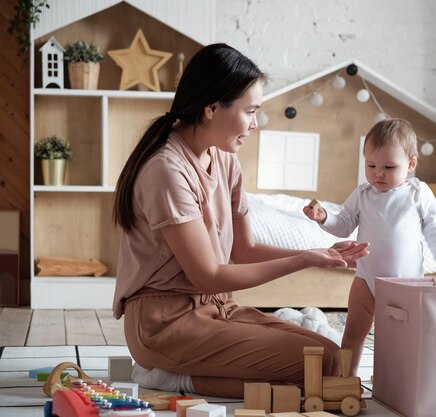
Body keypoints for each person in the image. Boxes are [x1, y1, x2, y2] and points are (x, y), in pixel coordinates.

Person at [112, 43, 369, 398]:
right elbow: (208, 274)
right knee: (315, 370)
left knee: (330, 359)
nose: (254, 124)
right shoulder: (167, 171)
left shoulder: (226, 160)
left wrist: (322, 252)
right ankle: (170, 378)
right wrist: (304, 260)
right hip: (164, 323)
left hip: (218, 307)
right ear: (212, 109)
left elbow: (243, 249)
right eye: (250, 111)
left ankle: (175, 376)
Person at [303, 118, 436, 375]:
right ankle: (345, 378)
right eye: (371, 165)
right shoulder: (362, 194)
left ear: (411, 164)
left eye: (388, 167)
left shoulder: (418, 193)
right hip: (366, 279)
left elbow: (435, 230)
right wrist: (325, 218)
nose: (378, 173)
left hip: (404, 284)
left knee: (400, 338)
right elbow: (344, 224)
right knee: (353, 331)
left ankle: (395, 380)